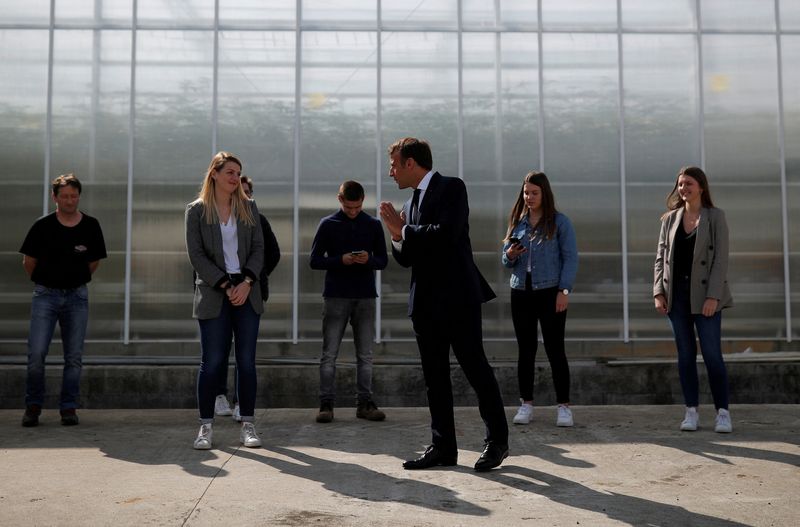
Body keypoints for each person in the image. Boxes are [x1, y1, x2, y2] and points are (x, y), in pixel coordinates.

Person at [379, 137, 509, 472]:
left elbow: (447, 234)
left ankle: (497, 442)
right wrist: (397, 236)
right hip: (425, 302)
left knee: (475, 368)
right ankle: (443, 447)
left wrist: (404, 230)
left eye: (394, 164)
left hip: (457, 298)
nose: (390, 171)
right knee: (434, 377)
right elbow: (408, 258)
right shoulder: (412, 202)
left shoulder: (451, 187)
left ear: (411, 163)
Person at [185, 151, 265, 449]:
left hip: (247, 291)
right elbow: (196, 255)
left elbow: (259, 249)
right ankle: (205, 427)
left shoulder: (249, 207)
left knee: (246, 361)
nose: (235, 178)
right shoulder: (196, 211)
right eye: (230, 172)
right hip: (213, 293)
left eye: (238, 172)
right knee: (213, 362)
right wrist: (223, 283)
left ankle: (248, 424)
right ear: (214, 174)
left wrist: (245, 282)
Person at [20, 174, 107, 427]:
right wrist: (47, 283)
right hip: (45, 295)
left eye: (74, 195)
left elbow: (94, 261)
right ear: (54, 197)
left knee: (74, 356)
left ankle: (68, 407)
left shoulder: (90, 226)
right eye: (64, 196)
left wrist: (74, 280)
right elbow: (28, 261)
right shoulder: (42, 226)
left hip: (77, 297)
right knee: (36, 353)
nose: (70, 200)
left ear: (79, 196)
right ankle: (33, 406)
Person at [653, 166, 733, 433]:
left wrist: (713, 296)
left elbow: (720, 260)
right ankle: (691, 411)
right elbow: (660, 258)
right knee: (685, 355)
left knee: (712, 355)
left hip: (706, 297)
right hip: (677, 297)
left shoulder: (715, 217)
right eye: (680, 184)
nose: (684, 188)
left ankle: (723, 412)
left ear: (701, 187)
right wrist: (658, 292)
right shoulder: (669, 219)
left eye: (689, 183)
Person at [501, 171, 578, 428]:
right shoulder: (518, 223)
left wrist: (563, 291)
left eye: (534, 193)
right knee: (526, 349)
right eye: (526, 193)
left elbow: (570, 258)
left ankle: (564, 407)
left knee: (555, 349)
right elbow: (505, 261)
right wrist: (510, 254)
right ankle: (526, 404)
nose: (529, 197)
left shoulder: (559, 223)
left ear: (544, 194)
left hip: (550, 291)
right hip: (521, 291)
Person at [309, 180, 388, 423]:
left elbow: (383, 260)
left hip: (364, 296)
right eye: (349, 207)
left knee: (365, 354)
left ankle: (364, 403)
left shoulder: (373, 225)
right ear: (340, 200)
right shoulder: (328, 224)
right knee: (329, 353)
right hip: (336, 295)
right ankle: (326, 404)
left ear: (363, 201)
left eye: (357, 207)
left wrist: (369, 260)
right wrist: (339, 260)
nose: (353, 211)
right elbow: (314, 260)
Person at [213, 175, 281, 422]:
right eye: (239, 191)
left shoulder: (258, 220)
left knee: (245, 353)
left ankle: (241, 402)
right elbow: (204, 256)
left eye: (248, 192)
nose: (244, 196)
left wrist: (254, 278)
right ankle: (218, 394)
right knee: (218, 349)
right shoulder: (214, 217)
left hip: (250, 293)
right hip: (220, 292)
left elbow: (271, 254)